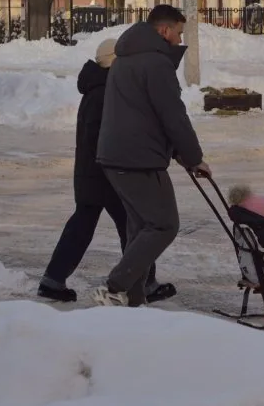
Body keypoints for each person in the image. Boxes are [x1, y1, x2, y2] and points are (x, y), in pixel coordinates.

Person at [92, 4, 211, 307]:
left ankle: (133, 299)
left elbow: (146, 114)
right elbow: (172, 116)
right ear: (164, 30)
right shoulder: (155, 63)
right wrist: (193, 156)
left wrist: (179, 154)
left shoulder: (125, 58)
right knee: (163, 225)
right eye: (178, 33)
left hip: (116, 156)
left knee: (141, 227)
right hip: (138, 159)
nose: (179, 40)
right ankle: (115, 286)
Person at [37, 39, 170, 303]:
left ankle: (53, 279)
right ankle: (146, 283)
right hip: (105, 174)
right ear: (114, 61)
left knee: (87, 227)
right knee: (133, 226)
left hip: (94, 174)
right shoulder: (104, 91)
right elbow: (99, 136)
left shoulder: (100, 87)